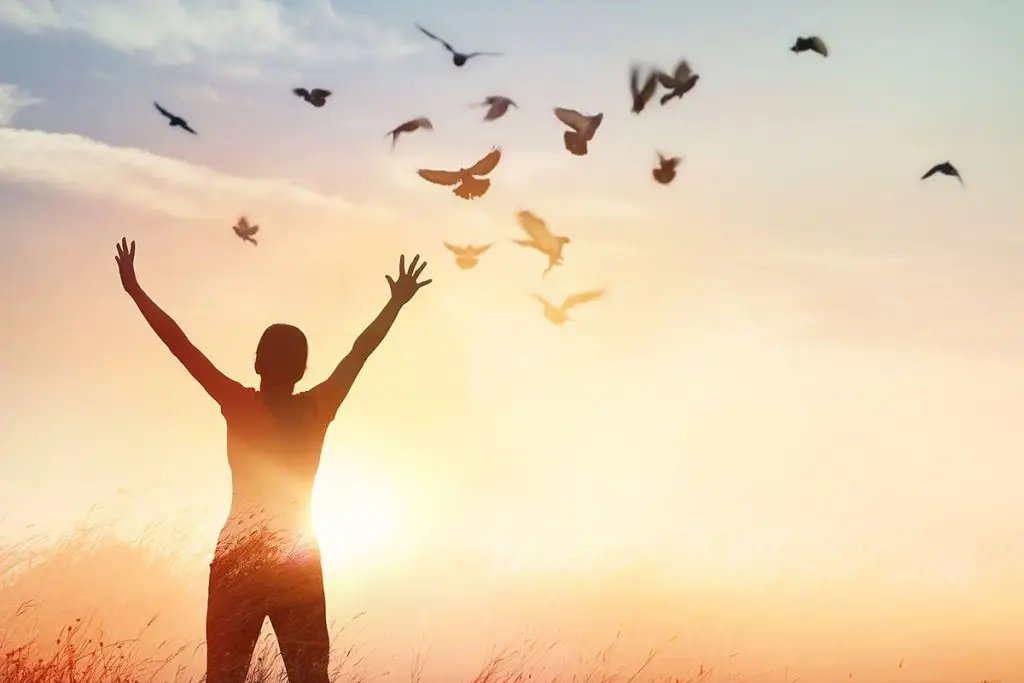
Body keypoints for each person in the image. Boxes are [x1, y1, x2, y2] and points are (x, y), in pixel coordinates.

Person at [113, 237, 432, 683]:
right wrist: (395, 304)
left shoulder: (238, 404)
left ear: (258, 362)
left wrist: (135, 290)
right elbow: (359, 351)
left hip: (238, 557)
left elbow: (180, 345)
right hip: (297, 557)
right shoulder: (318, 408)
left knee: (224, 676)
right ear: (302, 369)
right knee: (309, 676)